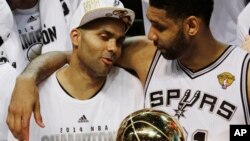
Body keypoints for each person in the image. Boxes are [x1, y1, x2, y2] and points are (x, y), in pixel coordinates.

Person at [7, 0, 250, 141]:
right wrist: (28, 77)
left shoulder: (243, 70)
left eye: (159, 26)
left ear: (192, 25)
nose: (150, 34)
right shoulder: (147, 55)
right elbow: (75, 55)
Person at [7, 0, 144, 140]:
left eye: (119, 41)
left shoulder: (132, 88)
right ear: (76, 37)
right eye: (104, 37)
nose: (113, 48)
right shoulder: (34, 94)